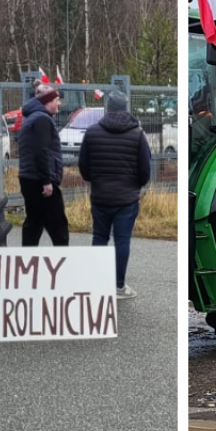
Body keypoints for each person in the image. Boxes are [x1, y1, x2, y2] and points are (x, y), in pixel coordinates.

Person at [79, 90, 151, 298]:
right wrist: (134, 186)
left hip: (100, 196)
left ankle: (97, 283)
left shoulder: (92, 132)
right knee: (122, 241)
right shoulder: (137, 135)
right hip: (126, 199)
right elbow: (145, 170)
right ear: (125, 108)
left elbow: (83, 167)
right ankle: (119, 286)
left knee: (99, 238)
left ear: (107, 108)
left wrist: (97, 181)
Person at [17, 84, 69, 246]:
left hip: (29, 177)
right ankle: (62, 262)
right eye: (56, 100)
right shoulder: (42, 119)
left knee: (34, 222)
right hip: (40, 180)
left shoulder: (32, 117)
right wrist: (47, 181)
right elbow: (41, 151)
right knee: (58, 225)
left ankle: (27, 261)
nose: (59, 103)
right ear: (47, 102)